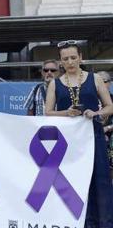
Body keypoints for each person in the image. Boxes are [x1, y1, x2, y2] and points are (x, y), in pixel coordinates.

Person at [45, 41, 113, 228]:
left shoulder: (95, 78)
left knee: (100, 181)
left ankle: (105, 223)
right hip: (67, 142)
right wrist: (66, 113)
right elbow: (48, 112)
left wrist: (96, 114)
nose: (70, 62)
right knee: (72, 182)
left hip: (94, 137)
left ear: (81, 57)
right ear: (61, 62)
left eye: (73, 57)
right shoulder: (54, 84)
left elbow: (110, 106)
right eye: (66, 59)